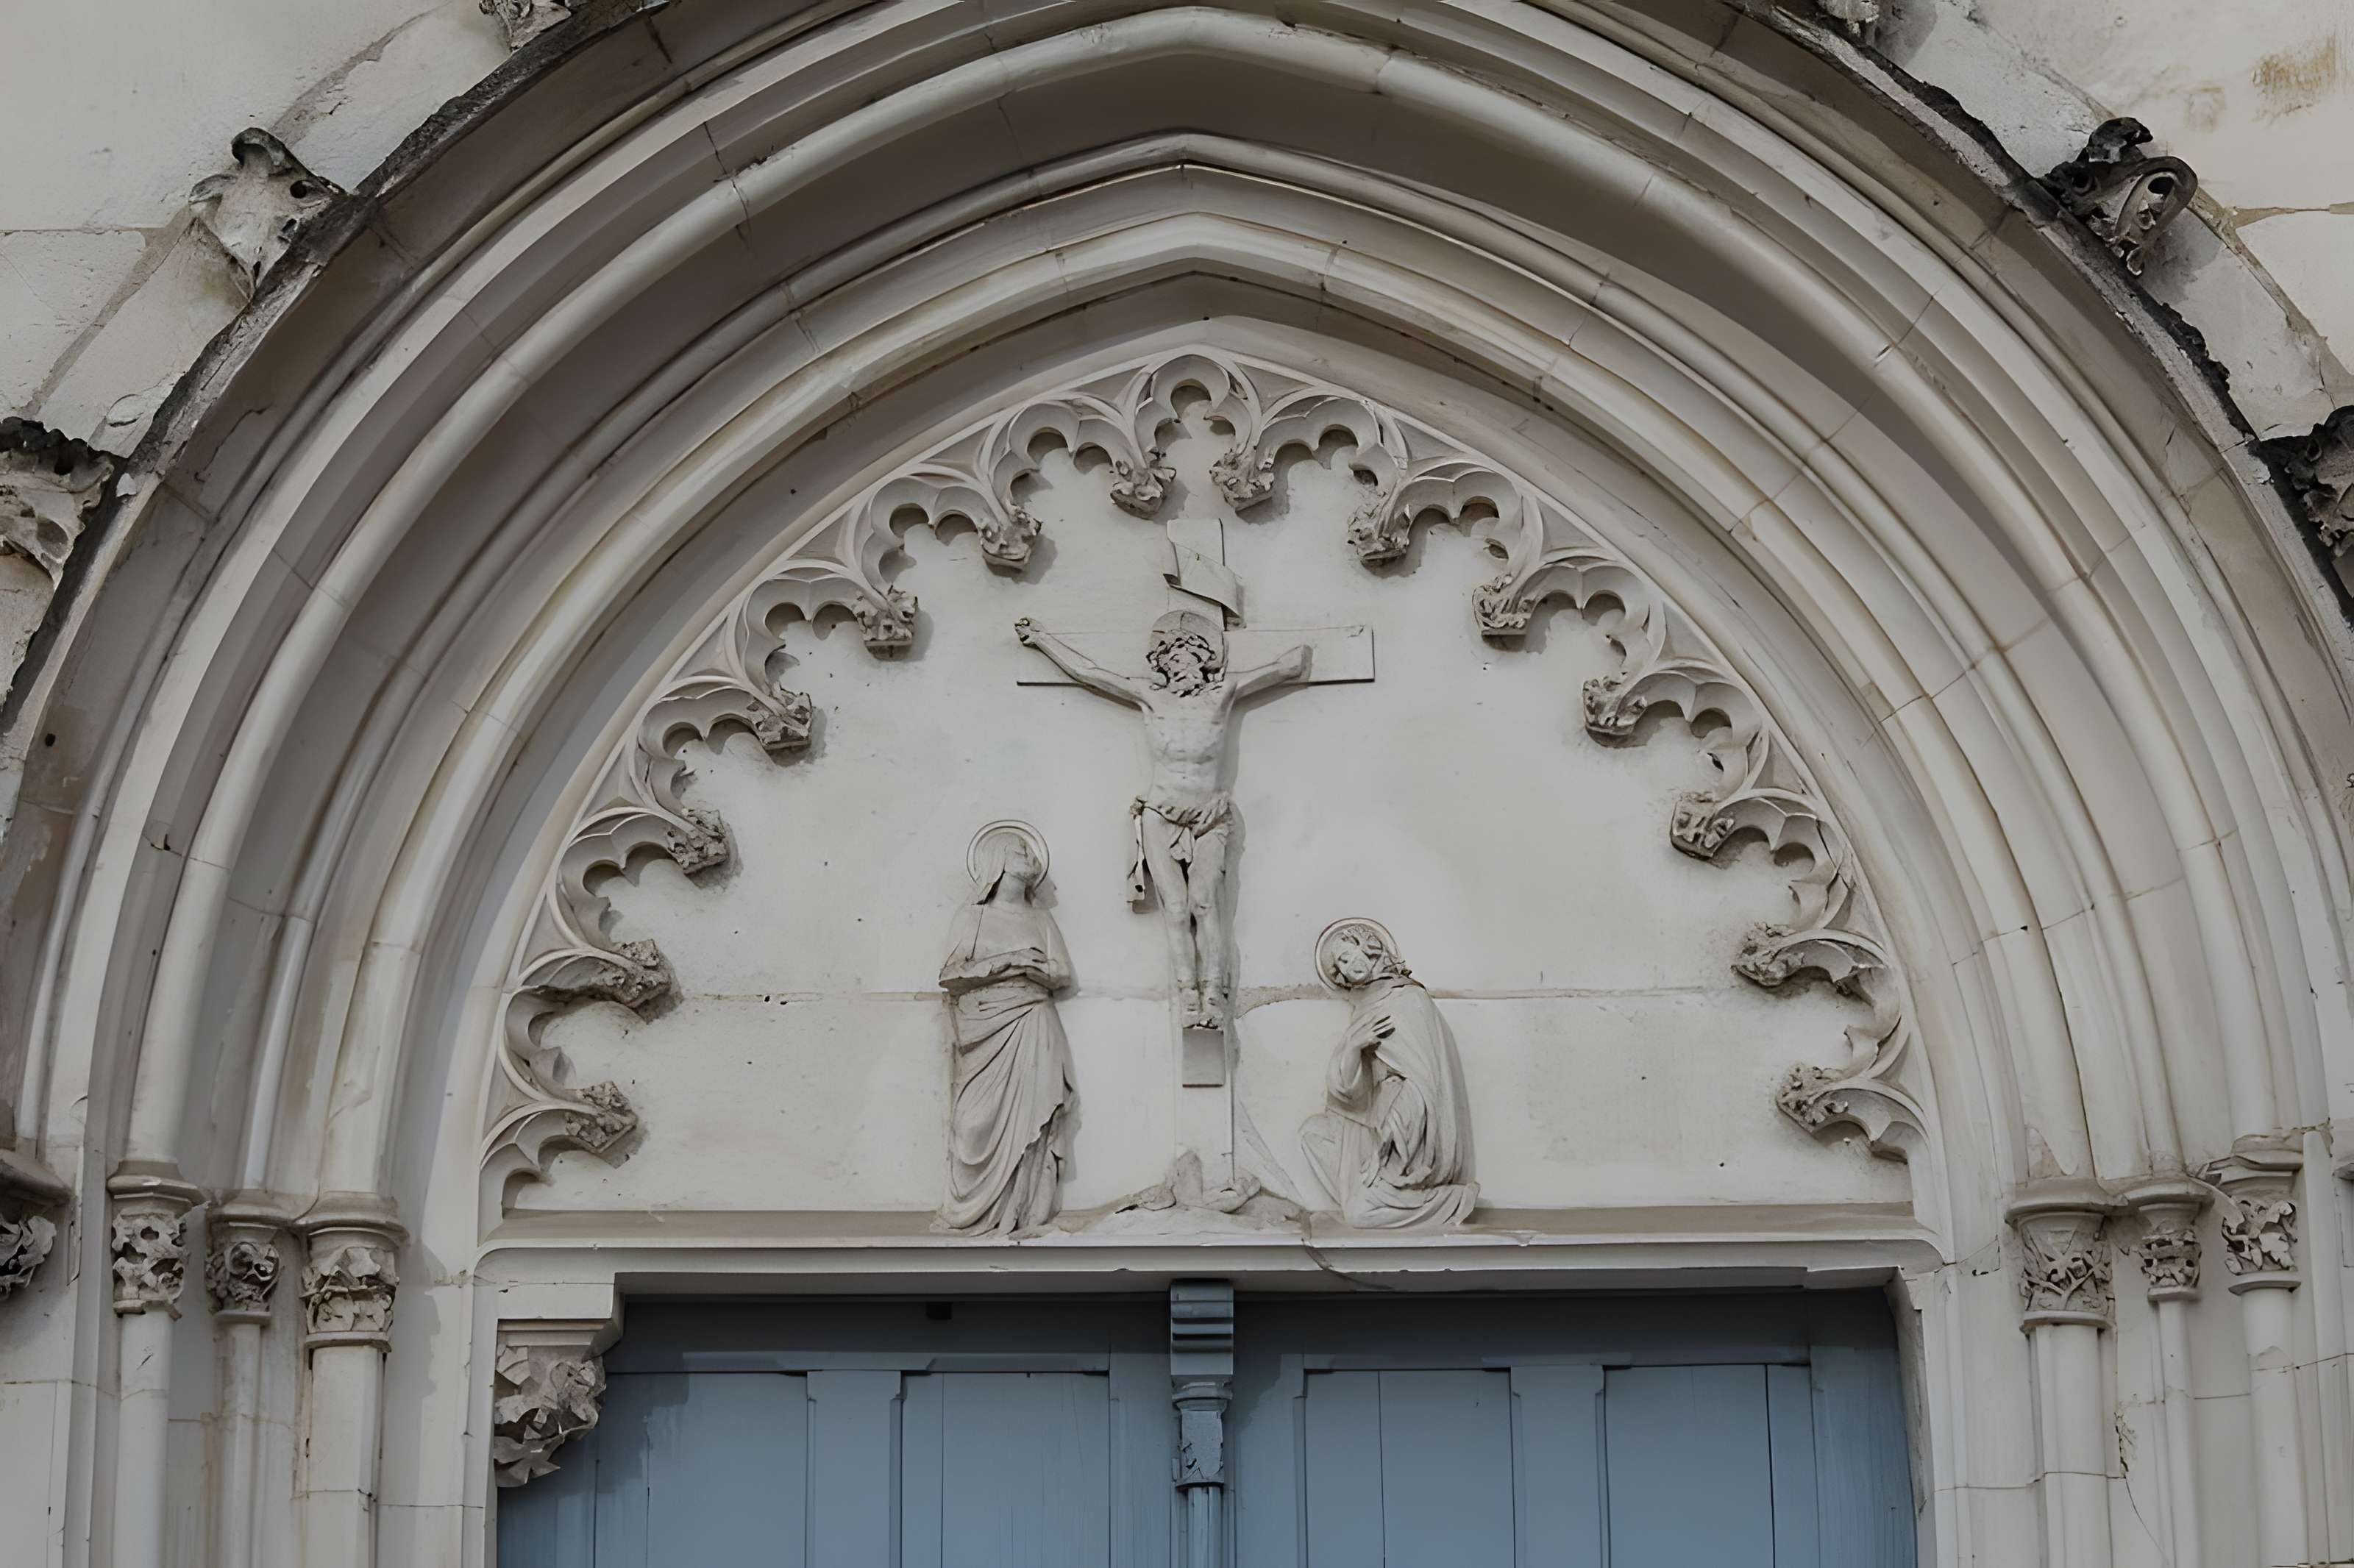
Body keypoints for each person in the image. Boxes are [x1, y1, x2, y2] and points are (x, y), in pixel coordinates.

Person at [1014, 610, 1309, 1029]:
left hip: (1210, 815)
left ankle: (1212, 992)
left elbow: (1284, 666)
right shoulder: (1151, 697)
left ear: (1203, 659)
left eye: (1186, 656)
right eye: (1170, 658)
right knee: (1174, 908)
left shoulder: (1222, 694)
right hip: (1160, 812)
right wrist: (1042, 639)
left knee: (1204, 902)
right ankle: (1187, 993)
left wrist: (1301, 656)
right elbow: (1089, 672)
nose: (1178, 665)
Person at [935, 825, 1076, 1236]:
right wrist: (1010, 961)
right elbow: (950, 974)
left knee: (1035, 1117)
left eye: (1031, 852)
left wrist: (1031, 967)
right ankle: (973, 1210)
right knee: (972, 1125)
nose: (1029, 857)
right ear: (997, 861)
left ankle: (1024, 1209)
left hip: (1033, 1021)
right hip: (984, 1028)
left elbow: (1061, 972)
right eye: (1018, 851)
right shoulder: (973, 917)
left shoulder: (1041, 919)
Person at [1299, 919, 1477, 1228]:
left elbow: (1426, 1079)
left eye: (1350, 953)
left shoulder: (1409, 1001)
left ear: (1367, 949)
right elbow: (1347, 1091)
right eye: (1341, 962)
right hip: (1373, 1118)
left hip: (1405, 1129)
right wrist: (1355, 1047)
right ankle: (1369, 1188)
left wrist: (1391, 1131)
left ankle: (1447, 1199)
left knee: (1359, 1214)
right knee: (1311, 1135)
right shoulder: (1365, 1009)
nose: (1349, 964)